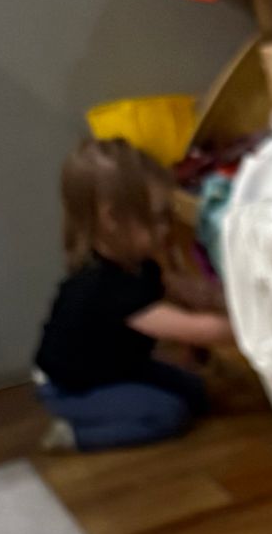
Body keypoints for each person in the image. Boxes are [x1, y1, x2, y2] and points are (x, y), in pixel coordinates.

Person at [34, 136, 232, 452]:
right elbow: (200, 329)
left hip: (120, 367)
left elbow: (191, 292)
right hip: (74, 387)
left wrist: (221, 297)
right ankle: (74, 434)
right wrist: (252, 323)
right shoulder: (104, 287)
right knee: (167, 414)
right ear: (111, 220)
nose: (166, 229)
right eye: (155, 219)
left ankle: (115, 405)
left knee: (196, 394)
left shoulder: (140, 264)